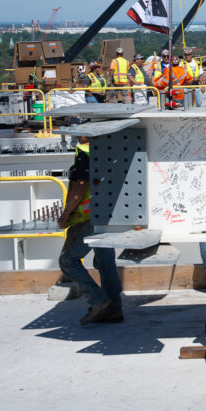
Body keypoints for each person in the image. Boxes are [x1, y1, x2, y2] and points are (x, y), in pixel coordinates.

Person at [57, 135, 123, 324]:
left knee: (68, 261)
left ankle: (99, 301)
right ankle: (114, 309)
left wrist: (66, 214)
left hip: (89, 217)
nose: (76, 136)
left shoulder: (84, 152)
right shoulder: (111, 150)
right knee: (105, 263)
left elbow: (81, 184)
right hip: (107, 214)